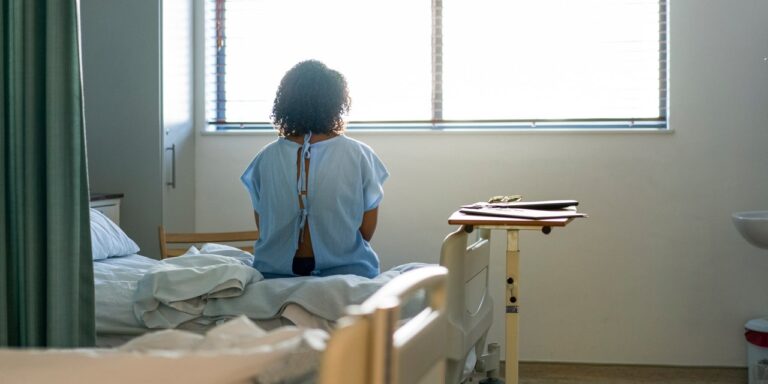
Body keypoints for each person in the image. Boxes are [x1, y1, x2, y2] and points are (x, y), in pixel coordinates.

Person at [241, 60, 389, 279]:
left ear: (285, 103)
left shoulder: (264, 159)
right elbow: (366, 233)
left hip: (275, 275)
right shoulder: (360, 155)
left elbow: (264, 229)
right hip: (347, 273)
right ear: (336, 103)